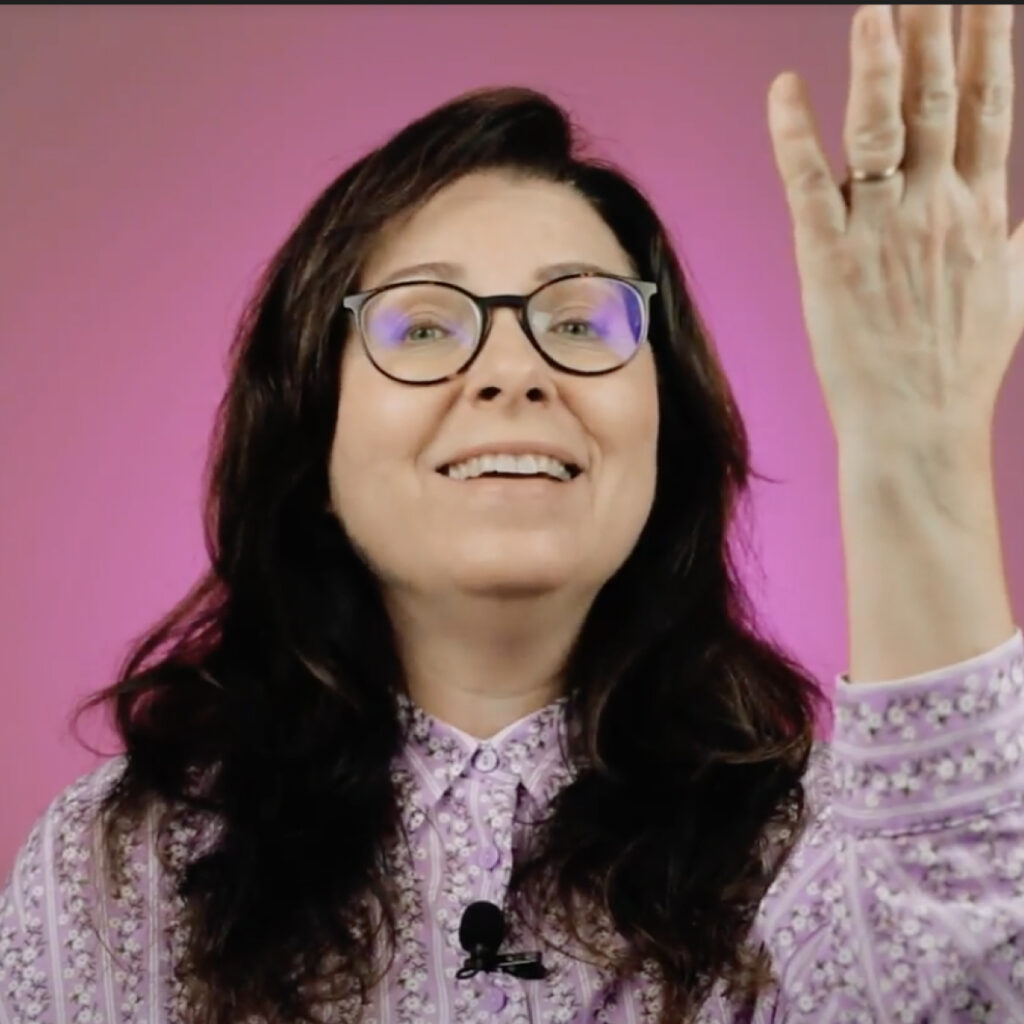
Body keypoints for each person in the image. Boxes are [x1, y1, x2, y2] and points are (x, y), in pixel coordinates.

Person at [3, 5, 1023, 1023]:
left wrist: (915, 448)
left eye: (578, 320)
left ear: (663, 429)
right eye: (423, 325)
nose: (511, 370)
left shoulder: (820, 849)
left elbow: (972, 981)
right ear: (314, 433)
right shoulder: (119, 867)